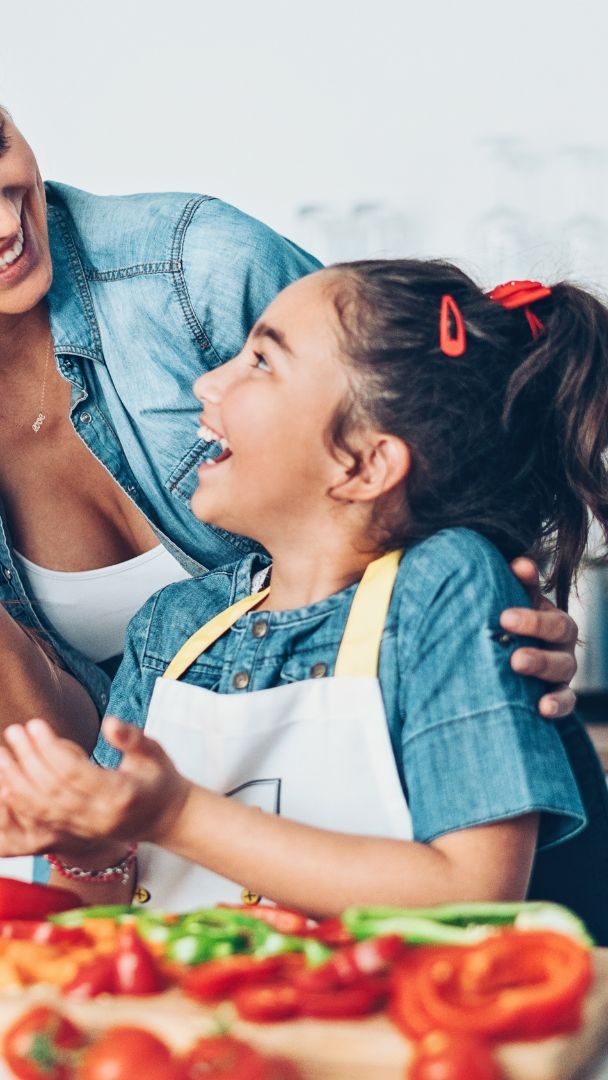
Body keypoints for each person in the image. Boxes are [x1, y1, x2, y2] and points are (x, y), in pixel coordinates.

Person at [1, 262, 607, 938]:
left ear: (364, 465)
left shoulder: (442, 586)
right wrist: (89, 847)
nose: (207, 383)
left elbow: (476, 891)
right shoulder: (171, 628)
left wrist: (177, 815)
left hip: (383, 1006)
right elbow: (97, 916)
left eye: (261, 361)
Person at [0, 105, 580, 759]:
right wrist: (152, 809)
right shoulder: (165, 629)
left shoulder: (198, 271)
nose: (6, 223)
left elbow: (425, 429)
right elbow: (81, 775)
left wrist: (494, 609)